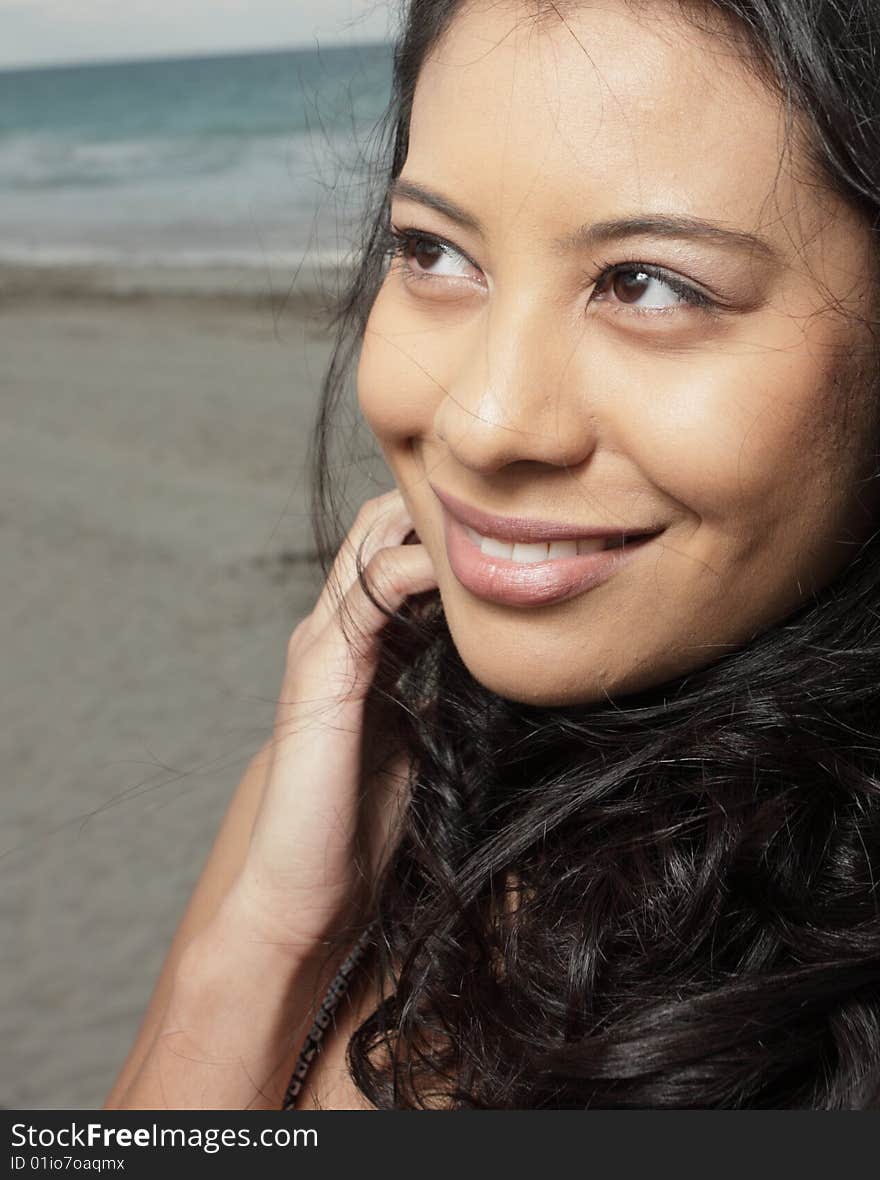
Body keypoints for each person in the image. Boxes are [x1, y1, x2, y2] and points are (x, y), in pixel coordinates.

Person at [104, 0, 880, 1110]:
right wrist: (267, 938)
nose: (485, 421)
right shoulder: (354, 787)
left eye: (648, 282)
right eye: (432, 252)